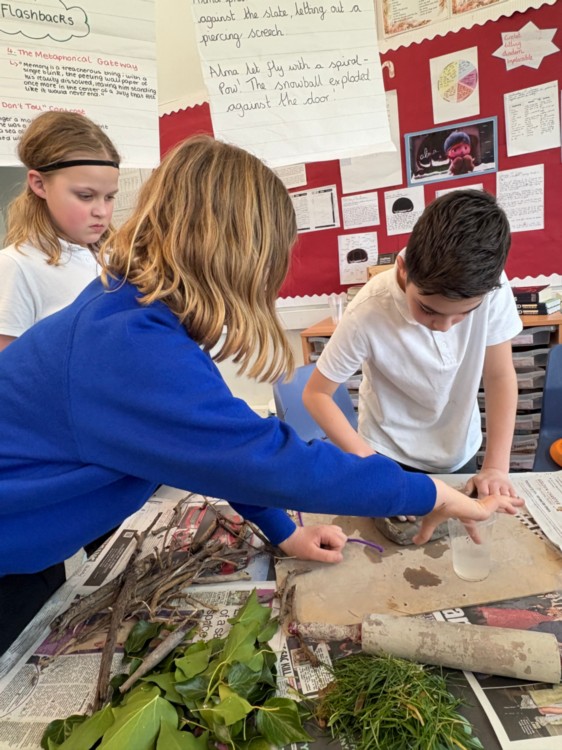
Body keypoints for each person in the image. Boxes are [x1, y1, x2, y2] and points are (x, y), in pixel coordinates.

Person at [0, 139, 522, 655]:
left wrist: (282, 530)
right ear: (236, 259)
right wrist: (432, 494)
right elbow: (264, 461)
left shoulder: (132, 305)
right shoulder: (126, 346)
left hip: (30, 544)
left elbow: (220, 446)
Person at [303, 189, 522, 502]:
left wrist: (496, 467)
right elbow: (316, 394)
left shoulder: (491, 287)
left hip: (458, 449)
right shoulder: (368, 309)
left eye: (464, 314)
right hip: (388, 454)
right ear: (403, 268)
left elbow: (499, 375)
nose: (444, 326)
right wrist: (371, 466)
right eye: (428, 309)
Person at [0, 111, 120, 352]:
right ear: (39, 184)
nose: (101, 211)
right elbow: (7, 367)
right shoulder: (16, 266)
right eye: (85, 196)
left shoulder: (116, 258)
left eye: (109, 197)